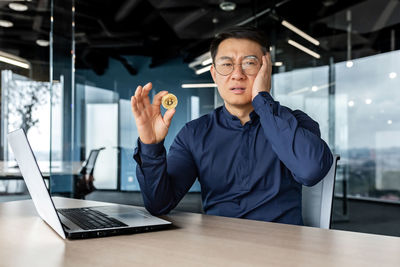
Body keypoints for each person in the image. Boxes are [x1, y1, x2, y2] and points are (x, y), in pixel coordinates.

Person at [130, 26, 333, 225]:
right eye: (227, 65)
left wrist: (262, 99)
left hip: (282, 249)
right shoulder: (194, 133)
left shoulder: (297, 123)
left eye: (249, 63)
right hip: (219, 247)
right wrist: (151, 146)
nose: (237, 74)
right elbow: (159, 204)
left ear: (266, 69)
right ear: (214, 74)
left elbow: (311, 171)